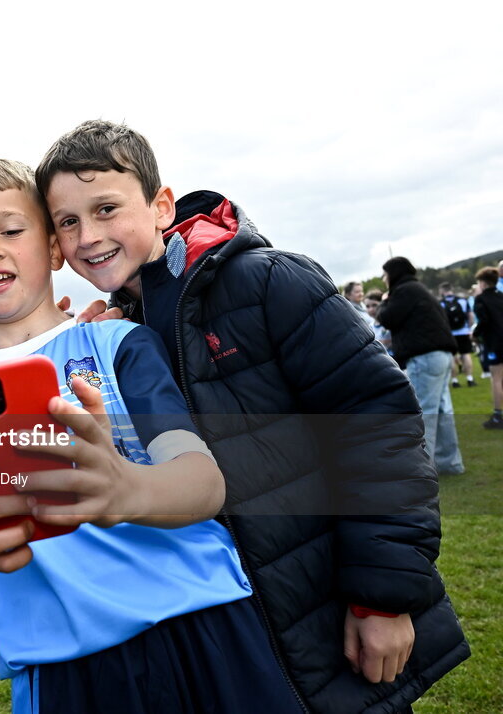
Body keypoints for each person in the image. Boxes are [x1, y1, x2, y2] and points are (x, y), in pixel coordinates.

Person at [35, 120, 468, 713]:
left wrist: (382, 599)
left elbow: (377, 426)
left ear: (161, 206)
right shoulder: (118, 334)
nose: (89, 236)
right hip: (240, 632)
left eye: (107, 208)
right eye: (68, 221)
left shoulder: (266, 281)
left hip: (329, 603)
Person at [0, 159, 301, 713]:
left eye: (12, 231)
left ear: (53, 249)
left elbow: (202, 480)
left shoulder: (117, 344)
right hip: (63, 659)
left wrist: (126, 489)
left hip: (203, 621)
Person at [378, 258, 465, 474]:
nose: (383, 279)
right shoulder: (419, 289)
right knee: (443, 412)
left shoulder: (404, 291)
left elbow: (388, 318)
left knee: (424, 412)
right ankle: (450, 463)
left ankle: (423, 469)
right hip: (441, 354)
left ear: (393, 273)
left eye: (384, 274)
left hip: (424, 356)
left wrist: (385, 300)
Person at [473, 266, 503, 429]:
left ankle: (498, 416)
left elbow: (483, 321)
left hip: (495, 343)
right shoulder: (501, 296)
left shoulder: (481, 299)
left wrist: (475, 334)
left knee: (496, 379)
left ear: (483, 283)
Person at [437, 282, 476, 388]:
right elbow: (470, 316)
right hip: (463, 331)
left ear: (442, 291)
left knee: (452, 357)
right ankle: (470, 379)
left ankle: (455, 381)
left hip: (450, 334)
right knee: (466, 355)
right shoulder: (462, 300)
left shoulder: (440, 303)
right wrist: (469, 328)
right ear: (451, 289)